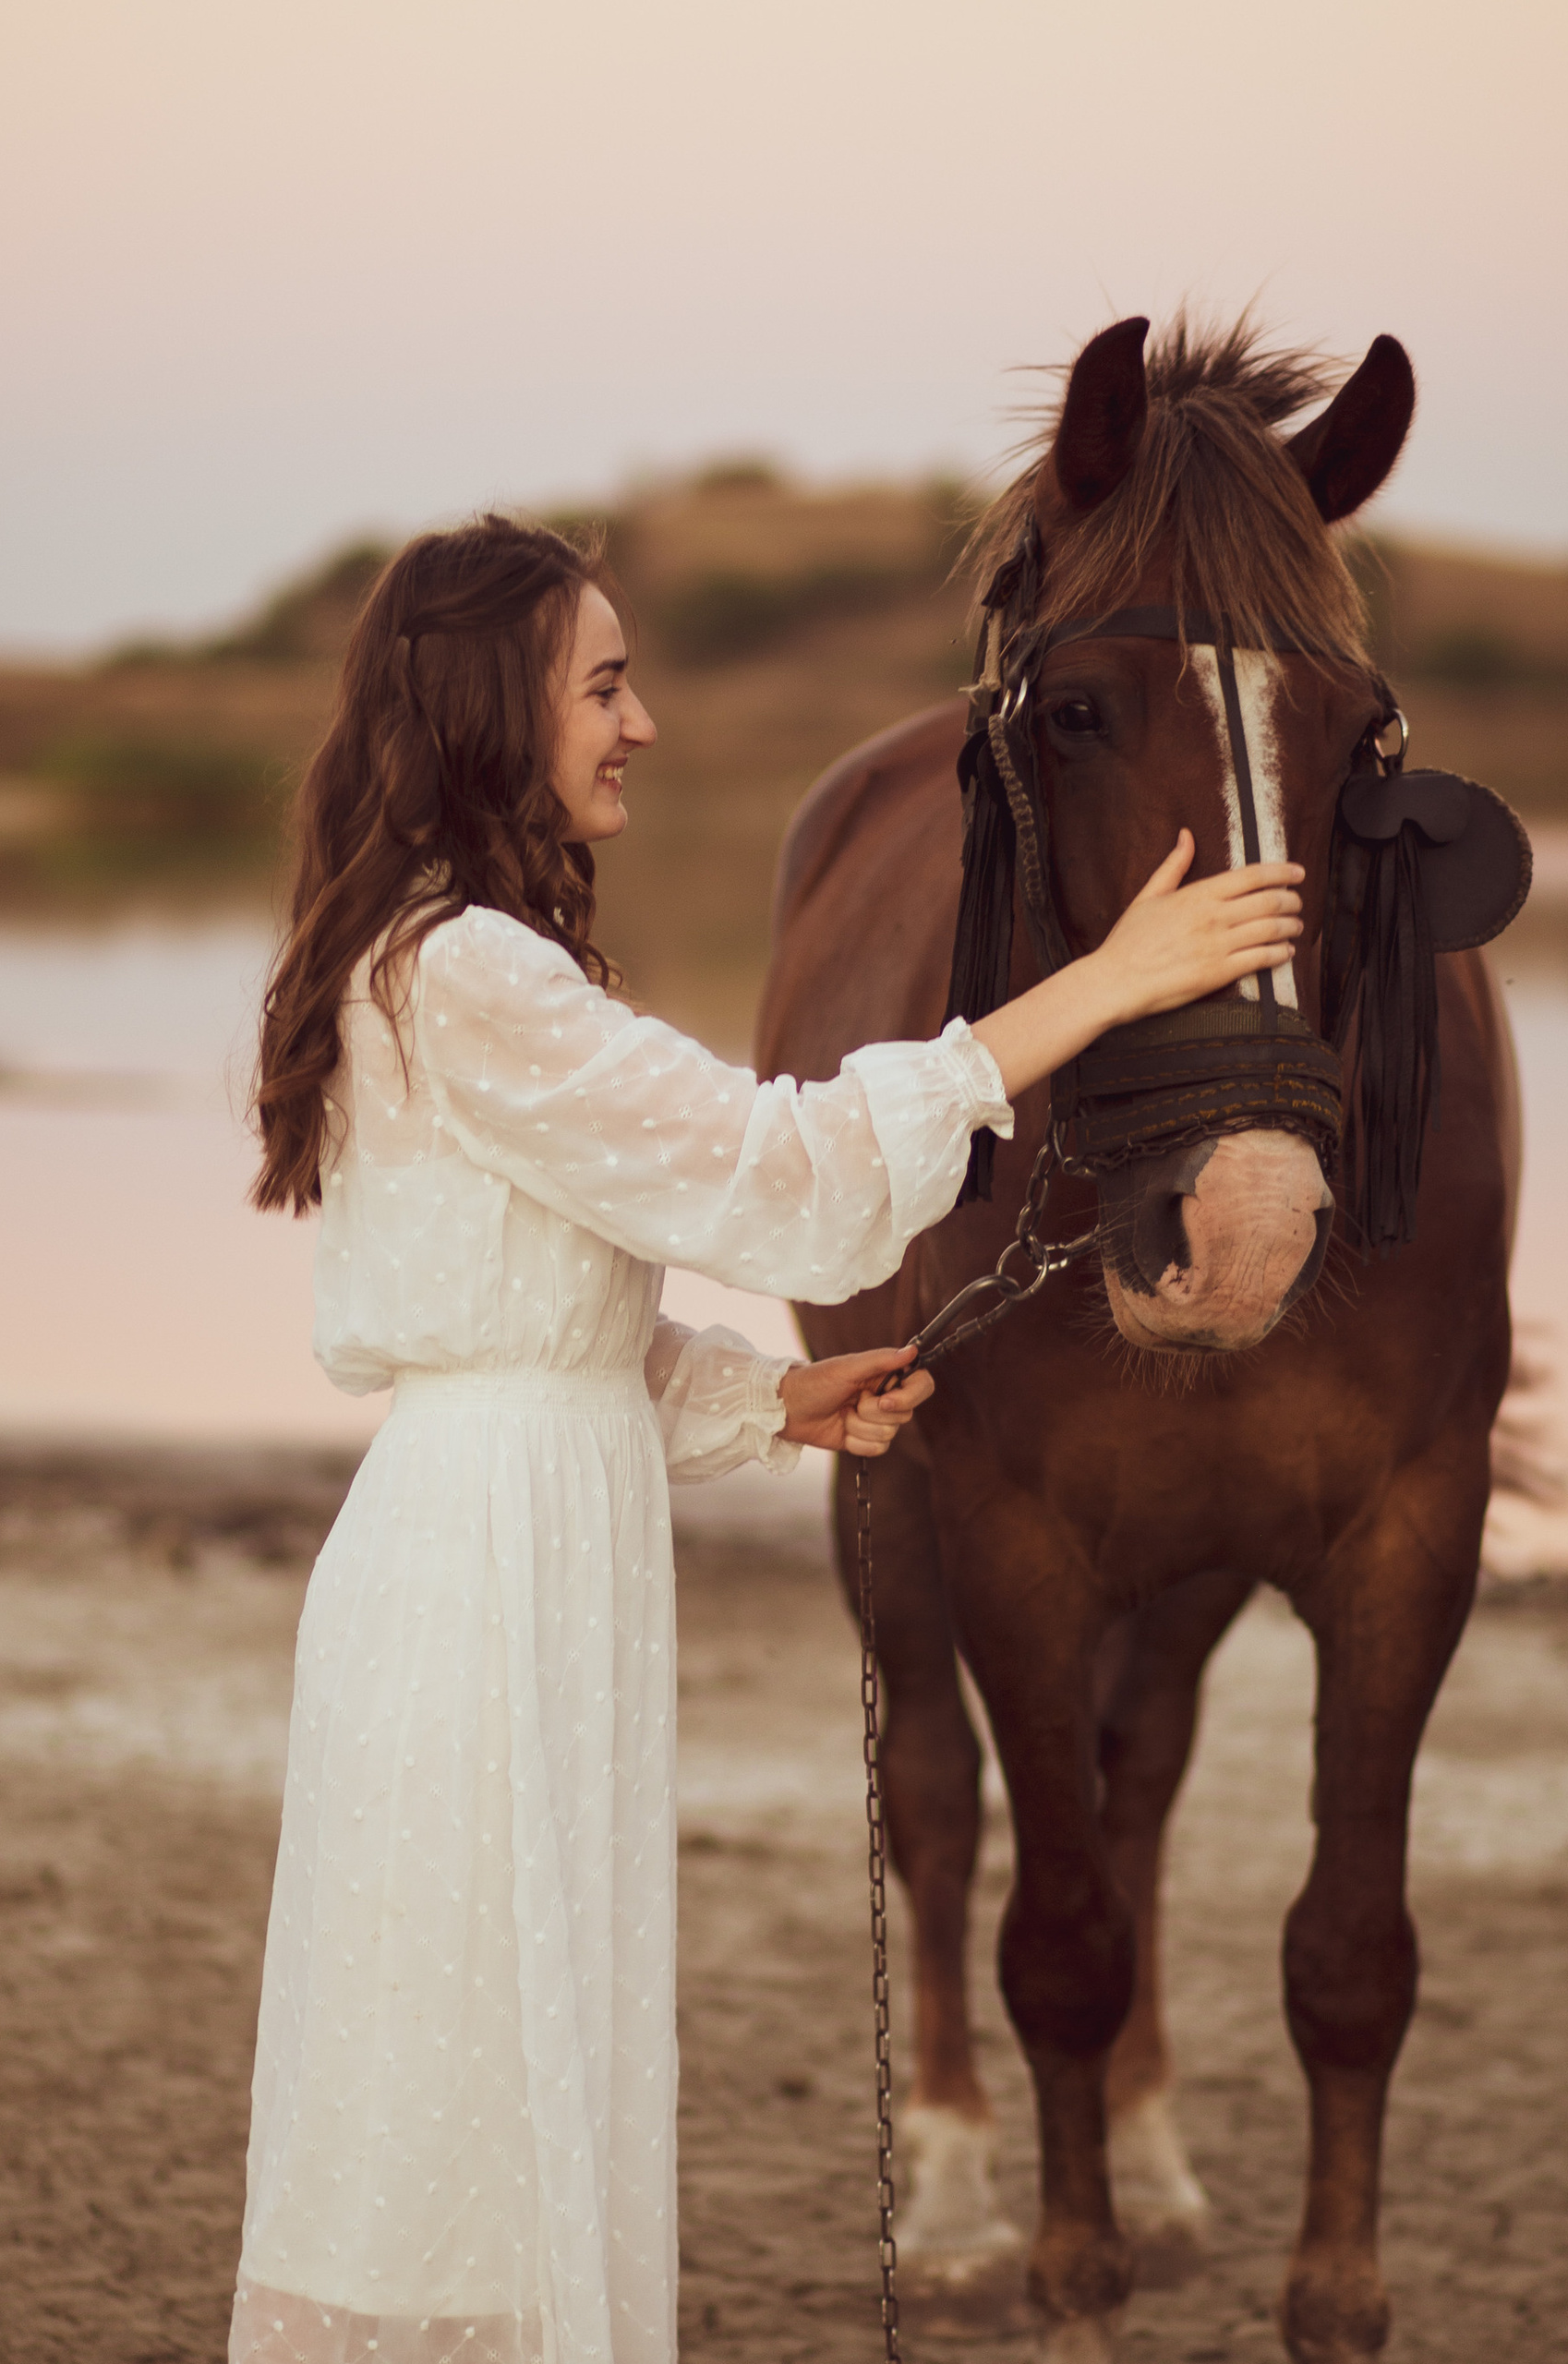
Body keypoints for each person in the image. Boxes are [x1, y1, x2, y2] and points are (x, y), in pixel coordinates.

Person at [233, 515, 1303, 2364]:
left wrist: (764, 1397)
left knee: (518, 2051)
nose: (639, 723)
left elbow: (520, 1309)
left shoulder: (458, 959)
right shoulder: (471, 970)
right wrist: (1100, 988)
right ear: (494, 710)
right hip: (478, 1575)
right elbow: (780, 1169)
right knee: (459, 2062)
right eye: (603, 685)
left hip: (517, 1533)